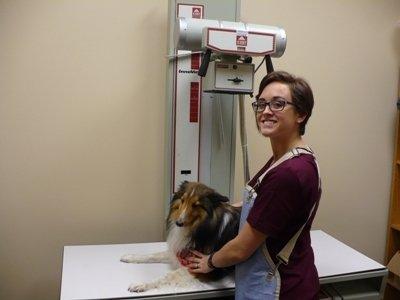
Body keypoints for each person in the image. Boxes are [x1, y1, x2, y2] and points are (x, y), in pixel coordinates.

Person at [185, 71, 321, 299]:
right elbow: (263, 204)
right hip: (297, 273)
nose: (266, 111)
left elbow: (241, 249)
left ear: (301, 114)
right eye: (261, 103)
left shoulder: (288, 173)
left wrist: (209, 261)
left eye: (278, 104)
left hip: (278, 287)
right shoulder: (295, 157)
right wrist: (214, 211)